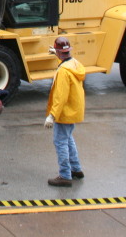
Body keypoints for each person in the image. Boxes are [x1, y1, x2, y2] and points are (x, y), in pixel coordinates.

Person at [44, 36, 86, 187]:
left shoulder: (63, 72)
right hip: (74, 110)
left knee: (60, 141)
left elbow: (60, 97)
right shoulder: (74, 64)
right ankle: (76, 169)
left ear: (58, 52)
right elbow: (64, 60)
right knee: (68, 139)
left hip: (65, 112)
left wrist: (52, 115)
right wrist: (55, 52)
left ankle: (65, 175)